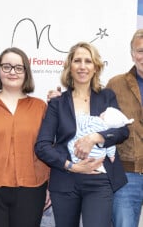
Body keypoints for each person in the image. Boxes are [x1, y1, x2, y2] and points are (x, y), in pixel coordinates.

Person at [35, 41, 129, 227]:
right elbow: (42, 146)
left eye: (88, 61)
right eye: (77, 60)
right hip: (65, 181)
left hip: (99, 181)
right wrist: (72, 166)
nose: (83, 66)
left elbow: (122, 130)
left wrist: (96, 137)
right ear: (70, 67)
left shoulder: (107, 96)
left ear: (96, 67)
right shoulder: (57, 103)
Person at [0, 47, 50, 227]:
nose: (12, 72)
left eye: (18, 67)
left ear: (26, 72)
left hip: (32, 188)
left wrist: (50, 186)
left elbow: (48, 148)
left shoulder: (40, 107)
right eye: (6, 66)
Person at [107, 28, 143, 227]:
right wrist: (61, 99)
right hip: (126, 176)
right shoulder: (116, 84)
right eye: (140, 51)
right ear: (132, 54)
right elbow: (97, 118)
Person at [68, 107, 134, 173]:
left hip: (78, 149)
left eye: (105, 112)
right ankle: (97, 167)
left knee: (72, 144)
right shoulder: (108, 130)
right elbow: (111, 145)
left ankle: (75, 162)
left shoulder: (93, 120)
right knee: (100, 154)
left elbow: (79, 121)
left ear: (104, 116)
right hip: (97, 156)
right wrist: (111, 156)